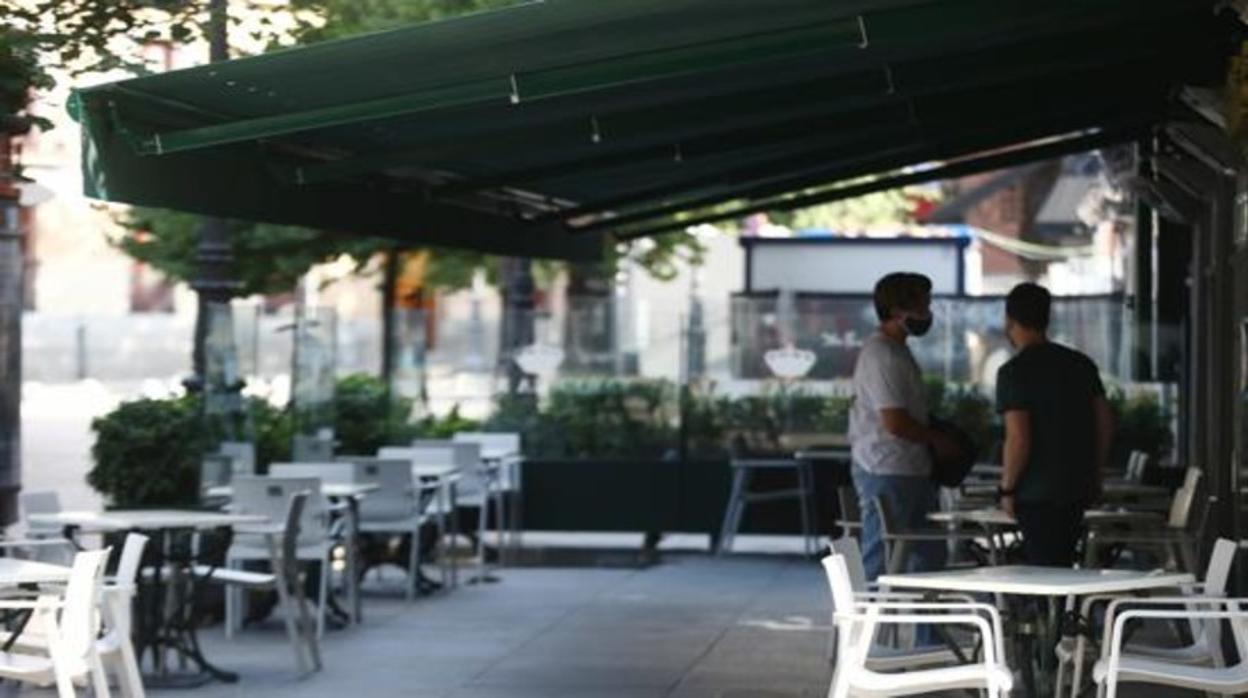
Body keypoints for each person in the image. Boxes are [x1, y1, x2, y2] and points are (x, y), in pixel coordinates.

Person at [996, 283, 1114, 567]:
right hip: (1076, 486)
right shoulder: (1081, 365)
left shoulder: (1014, 372)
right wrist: (1094, 474)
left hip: (1035, 492)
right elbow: (1106, 423)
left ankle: (1049, 613)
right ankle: (1063, 611)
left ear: (1009, 320)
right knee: (1064, 565)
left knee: (1043, 571)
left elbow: (1019, 438)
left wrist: (1007, 489)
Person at [850, 272, 958, 581]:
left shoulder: (895, 350)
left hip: (905, 469)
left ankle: (929, 630)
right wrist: (938, 439)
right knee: (883, 561)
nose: (927, 313)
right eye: (922, 305)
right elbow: (894, 421)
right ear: (898, 311)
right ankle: (870, 627)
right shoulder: (883, 354)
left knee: (928, 560)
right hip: (887, 469)